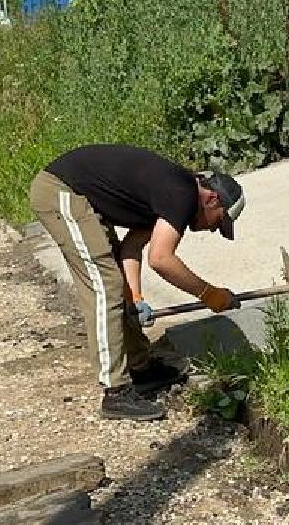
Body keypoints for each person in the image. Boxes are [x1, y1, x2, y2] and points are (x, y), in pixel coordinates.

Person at [29, 144, 245, 421]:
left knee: (117, 283)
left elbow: (132, 248)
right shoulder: (181, 195)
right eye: (219, 222)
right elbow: (161, 259)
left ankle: (141, 369)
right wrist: (209, 294)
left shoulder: (171, 194)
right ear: (213, 199)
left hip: (80, 197)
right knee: (104, 286)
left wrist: (137, 297)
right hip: (61, 191)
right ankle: (115, 392)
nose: (213, 228)